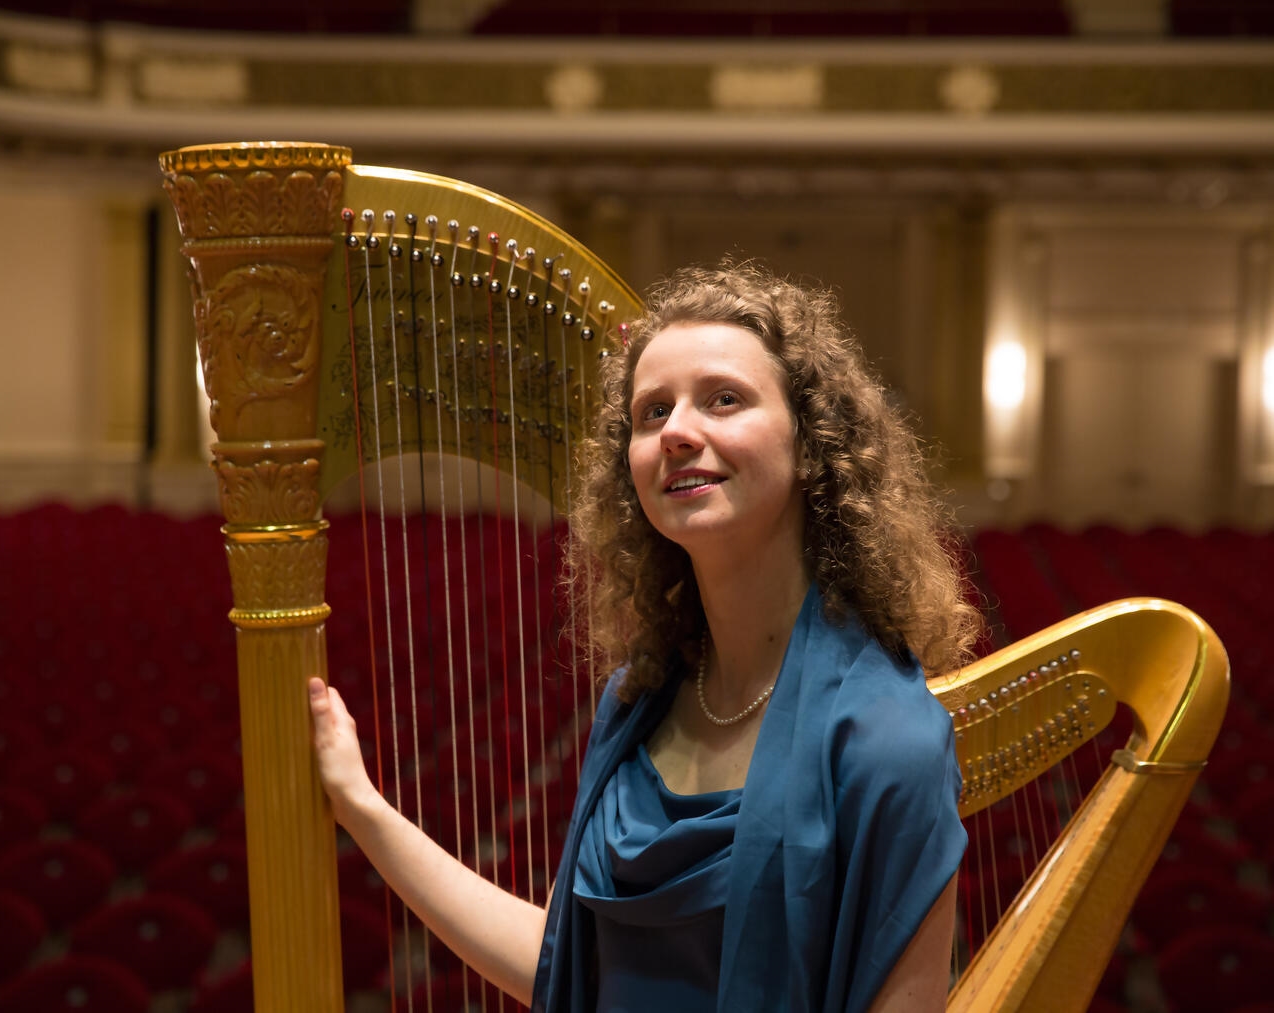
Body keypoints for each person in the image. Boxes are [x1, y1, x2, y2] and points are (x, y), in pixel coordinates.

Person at [309, 260, 983, 1012]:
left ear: (813, 443)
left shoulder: (888, 739)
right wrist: (363, 806)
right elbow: (568, 971)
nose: (677, 432)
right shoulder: (638, 699)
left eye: (724, 399)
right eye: (651, 412)